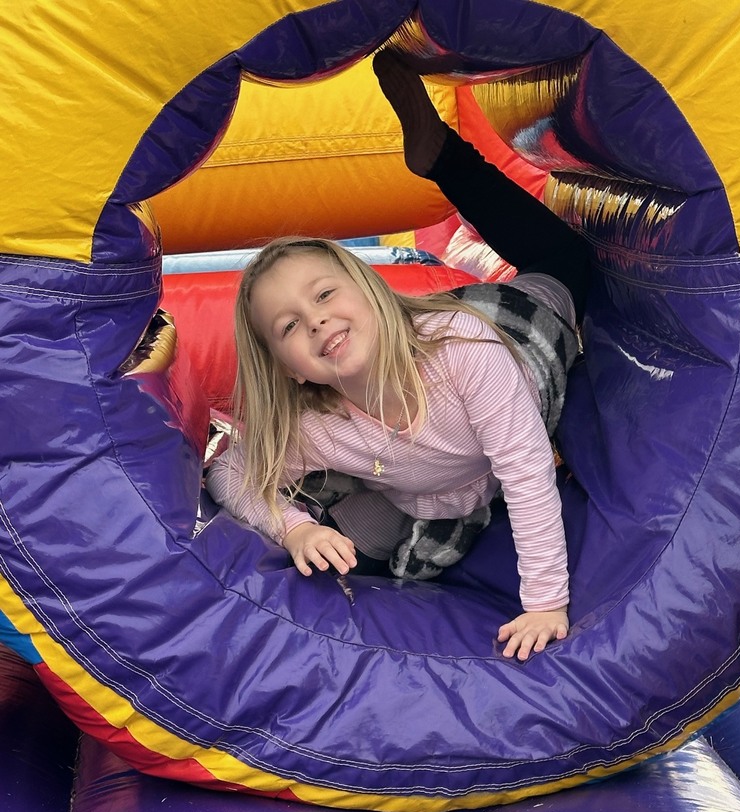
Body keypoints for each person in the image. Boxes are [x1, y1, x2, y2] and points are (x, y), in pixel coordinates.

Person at [206, 50, 590, 661]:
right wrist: (294, 526)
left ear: (373, 290)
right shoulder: (317, 425)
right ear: (287, 367)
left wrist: (546, 602)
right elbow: (230, 471)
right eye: (290, 326)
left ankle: (443, 154)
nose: (318, 320)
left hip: (514, 333)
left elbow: (526, 475)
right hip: (437, 470)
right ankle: (439, 155)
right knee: (401, 552)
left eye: (326, 294)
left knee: (572, 269)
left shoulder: (470, 357)